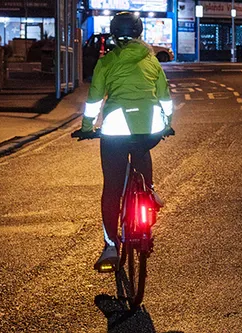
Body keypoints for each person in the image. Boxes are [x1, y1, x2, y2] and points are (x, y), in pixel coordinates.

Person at [72, 12, 174, 272]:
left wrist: (86, 128)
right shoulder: (151, 60)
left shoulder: (107, 62)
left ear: (114, 34)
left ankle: (110, 246)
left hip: (116, 129)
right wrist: (168, 124)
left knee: (113, 188)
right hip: (150, 127)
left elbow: (94, 99)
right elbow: (165, 97)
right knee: (142, 149)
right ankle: (149, 191)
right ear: (140, 34)